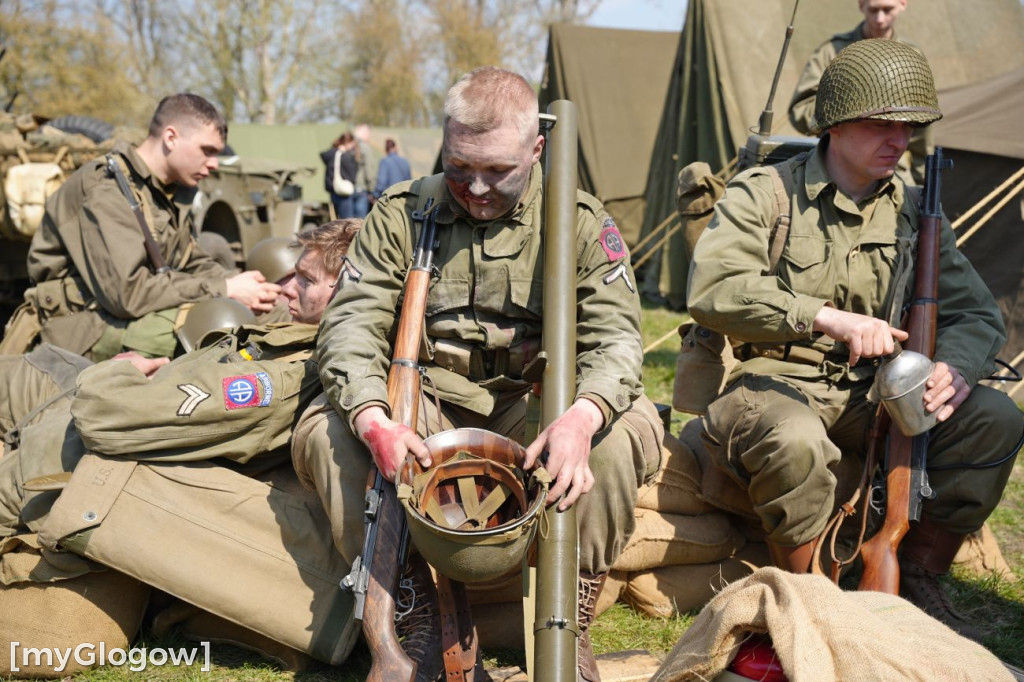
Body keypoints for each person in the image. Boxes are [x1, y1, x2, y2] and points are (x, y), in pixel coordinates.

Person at [300, 65, 664, 681]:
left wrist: (584, 417)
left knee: (621, 436)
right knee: (329, 432)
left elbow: (618, 341)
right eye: (459, 166)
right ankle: (412, 615)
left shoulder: (579, 221)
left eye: (497, 170)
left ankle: (569, 616)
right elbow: (350, 325)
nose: (474, 187)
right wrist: (373, 419)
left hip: (535, 403)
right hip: (424, 399)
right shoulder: (402, 214)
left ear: (537, 149)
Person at [688, 39, 1023, 639]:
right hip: (775, 382)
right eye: (881, 125)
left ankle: (917, 573)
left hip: (877, 394)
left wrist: (955, 369)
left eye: (908, 127)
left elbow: (977, 313)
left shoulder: (916, 212)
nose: (899, 140)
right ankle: (811, 594)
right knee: (793, 439)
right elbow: (714, 288)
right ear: (836, 125)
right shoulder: (766, 193)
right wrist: (825, 317)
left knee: (995, 418)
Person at [0, 218, 361, 539]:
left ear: (347, 295)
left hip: (60, 463)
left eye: (306, 280)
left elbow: (103, 418)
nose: (288, 288)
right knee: (38, 364)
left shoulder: (278, 382)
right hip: (96, 419)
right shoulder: (295, 340)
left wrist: (120, 369)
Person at [24, 93, 280, 361]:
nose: (215, 163)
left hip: (128, 312)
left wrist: (251, 288)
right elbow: (128, 294)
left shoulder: (166, 189)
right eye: (207, 151)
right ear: (171, 138)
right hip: (80, 325)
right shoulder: (106, 189)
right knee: (220, 328)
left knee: (270, 311)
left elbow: (192, 262)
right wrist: (225, 288)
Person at [787, 0, 933, 185]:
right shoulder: (832, 51)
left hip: (893, 168)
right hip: (837, 166)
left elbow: (921, 124)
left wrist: (924, 180)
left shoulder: (911, 56)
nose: (879, 19)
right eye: (874, 10)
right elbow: (801, 108)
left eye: (887, 10)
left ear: (903, 4)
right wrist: (838, 117)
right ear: (861, 5)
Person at [320, 132, 359, 219]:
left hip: (333, 191)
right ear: (348, 143)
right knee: (347, 221)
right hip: (344, 192)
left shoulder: (333, 154)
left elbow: (324, 155)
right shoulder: (345, 156)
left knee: (338, 220)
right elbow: (353, 175)